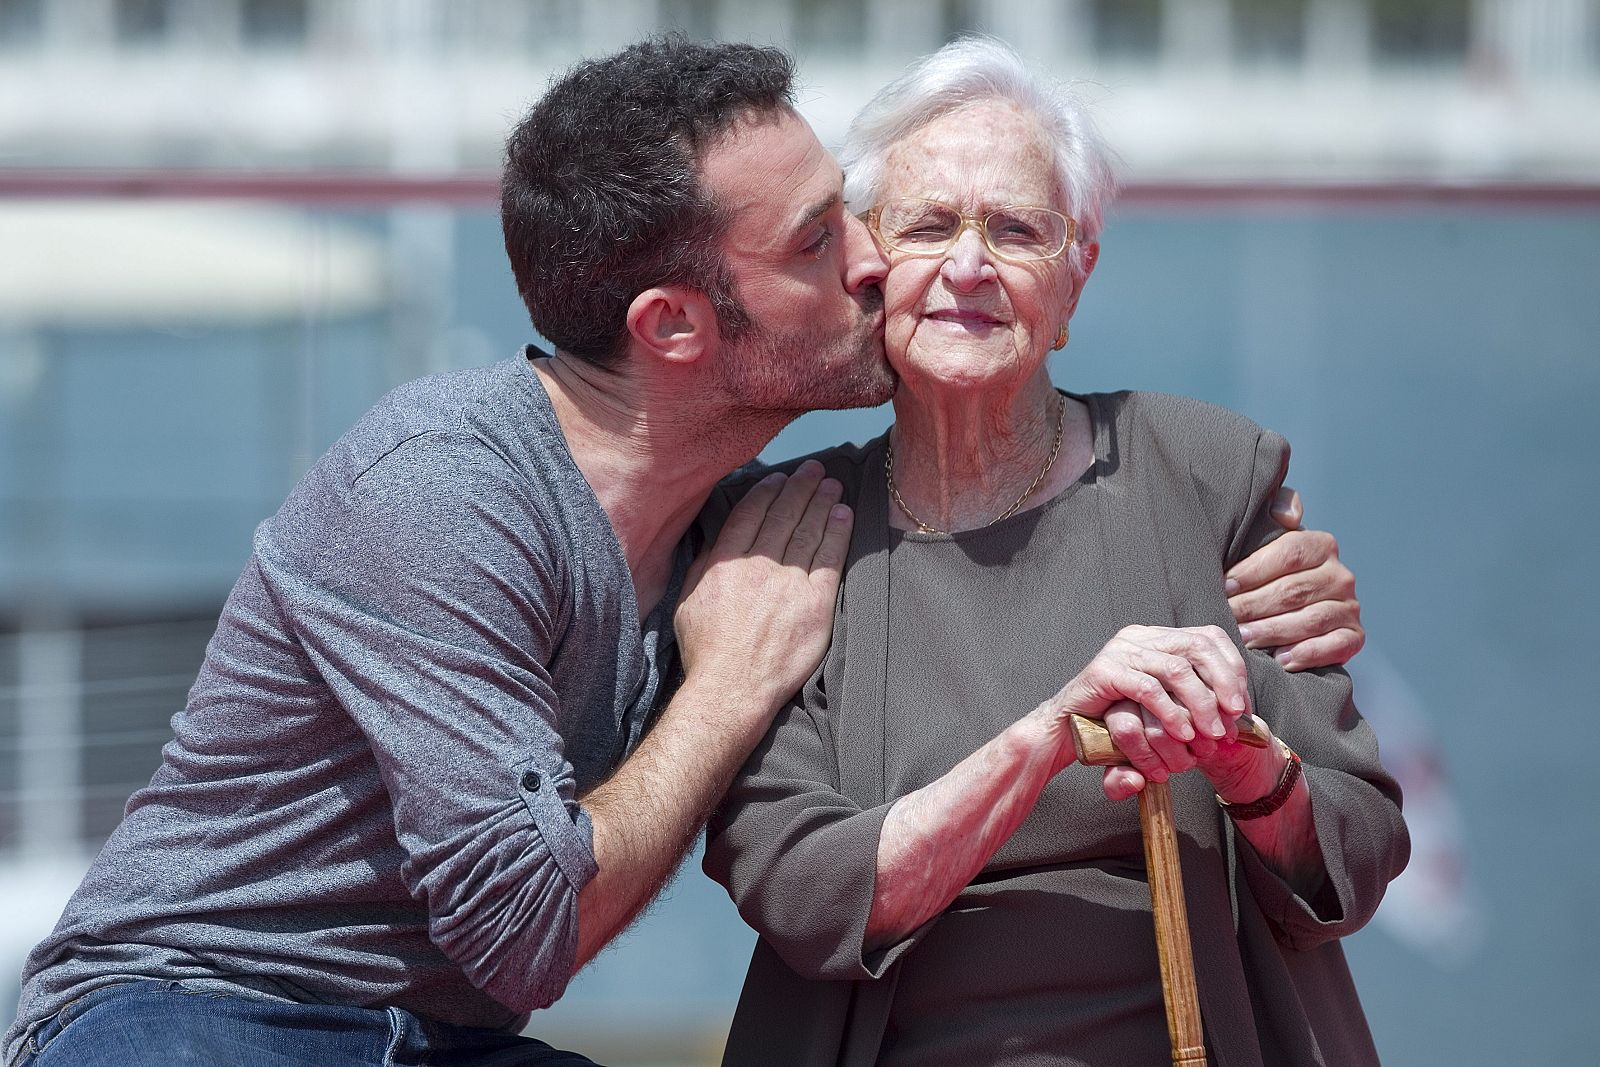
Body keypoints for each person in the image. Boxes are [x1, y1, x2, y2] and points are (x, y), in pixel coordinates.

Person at [6, 39, 1364, 1067]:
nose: (878, 266)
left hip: (440, 1038)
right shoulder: (444, 493)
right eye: (825, 239)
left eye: (854, 216)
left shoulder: (743, 520)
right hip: (197, 1007)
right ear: (673, 327)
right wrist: (725, 684)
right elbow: (528, 928)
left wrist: (1280, 585)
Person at [704, 38, 1406, 1067]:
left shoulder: (1204, 475)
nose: (969, 266)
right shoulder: (789, 529)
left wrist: (1246, 761)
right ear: (868, 263)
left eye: (1017, 229)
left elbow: (1356, 854)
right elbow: (800, 887)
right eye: (928, 225)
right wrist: (1048, 735)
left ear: (1075, 278)